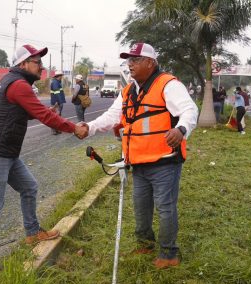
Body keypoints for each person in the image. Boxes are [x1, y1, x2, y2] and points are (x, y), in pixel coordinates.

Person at [0, 44, 86, 278]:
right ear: (23, 64)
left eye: (41, 62)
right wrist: (73, 128)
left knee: (29, 187)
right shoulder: (18, 85)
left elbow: (36, 111)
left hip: (5, 152)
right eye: (36, 62)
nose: (41, 66)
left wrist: (56, 116)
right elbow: (43, 115)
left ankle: (32, 233)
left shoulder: (16, 83)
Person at [77, 43, 198, 269]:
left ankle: (169, 254)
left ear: (150, 62)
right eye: (128, 60)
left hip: (164, 161)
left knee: (165, 207)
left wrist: (181, 130)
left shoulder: (168, 85)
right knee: (141, 207)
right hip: (138, 162)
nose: (130, 64)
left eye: (135, 59)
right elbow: (113, 116)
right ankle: (145, 244)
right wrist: (89, 127)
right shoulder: (129, 90)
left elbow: (190, 110)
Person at [50, 70, 66, 135]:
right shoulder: (55, 83)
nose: (62, 77)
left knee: (58, 117)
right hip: (57, 102)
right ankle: (54, 130)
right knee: (55, 117)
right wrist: (58, 102)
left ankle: (57, 129)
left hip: (58, 102)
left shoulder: (57, 82)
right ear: (58, 76)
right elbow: (57, 93)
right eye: (61, 76)